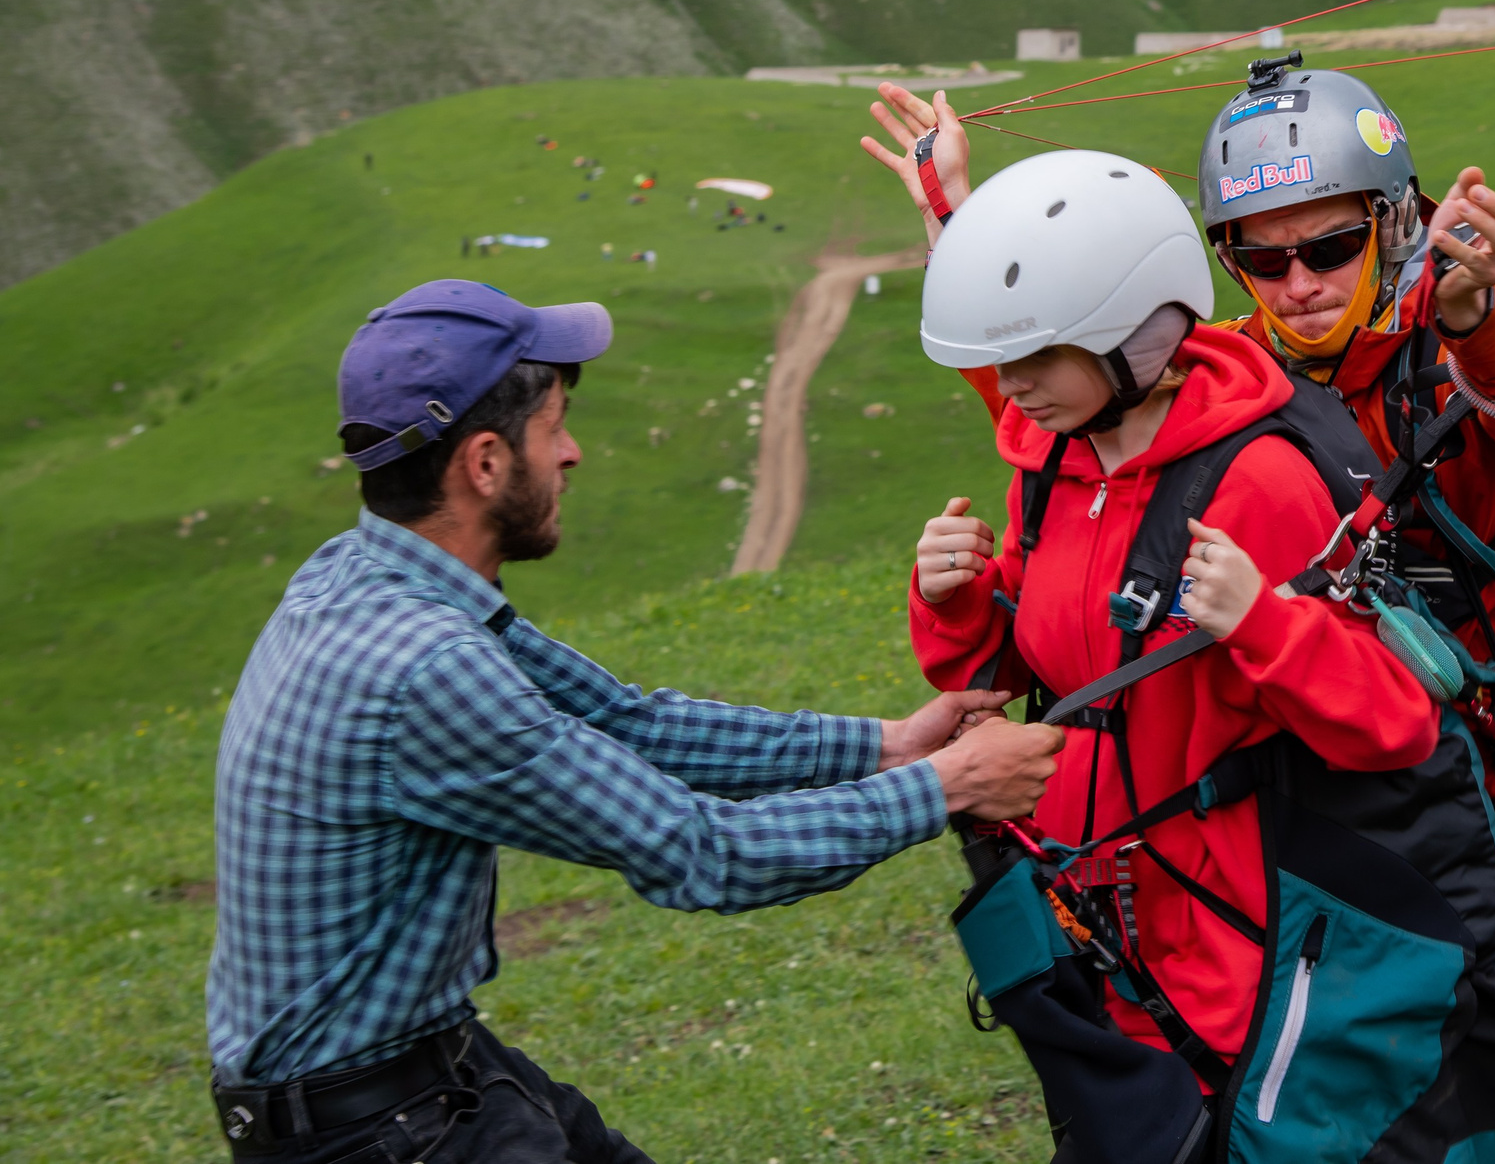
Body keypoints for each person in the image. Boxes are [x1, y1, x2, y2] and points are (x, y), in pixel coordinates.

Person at [867, 72, 1495, 1105]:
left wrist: (1474, 315)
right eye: (1262, 259)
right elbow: (1069, 386)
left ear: (1392, 223)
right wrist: (967, 226)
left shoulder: (1455, 328)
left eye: (1330, 248)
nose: (1299, 284)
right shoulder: (1230, 375)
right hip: (1365, 792)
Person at [206, 279, 1062, 1164]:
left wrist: (890, 743)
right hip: (374, 1129)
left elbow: (629, 723)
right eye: (555, 426)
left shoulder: (364, 574)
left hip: (424, 1068)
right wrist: (945, 786)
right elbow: (702, 852)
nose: (572, 452)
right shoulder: (424, 666)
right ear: (486, 463)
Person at [879, 142, 1441, 1092]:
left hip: (1232, 947)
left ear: (1129, 335)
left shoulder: (1256, 478)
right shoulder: (1056, 461)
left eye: (1036, 354)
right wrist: (956, 600)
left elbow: (1396, 724)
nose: (1009, 385)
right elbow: (1020, 667)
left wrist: (1263, 623)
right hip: (1087, 917)